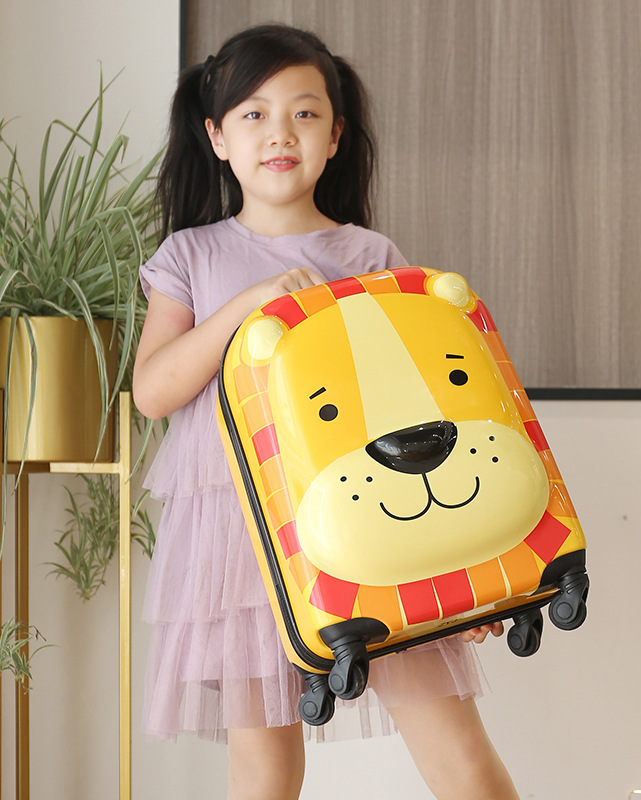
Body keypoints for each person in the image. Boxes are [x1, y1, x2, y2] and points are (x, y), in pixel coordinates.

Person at [133, 23, 519, 800]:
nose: (281, 133)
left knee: (459, 756)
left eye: (305, 113)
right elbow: (153, 391)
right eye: (254, 114)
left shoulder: (371, 257)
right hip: (242, 546)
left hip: (379, 523)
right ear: (217, 137)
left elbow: (428, 414)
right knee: (265, 769)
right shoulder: (191, 257)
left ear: (336, 136)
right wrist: (251, 303)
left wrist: (466, 574)